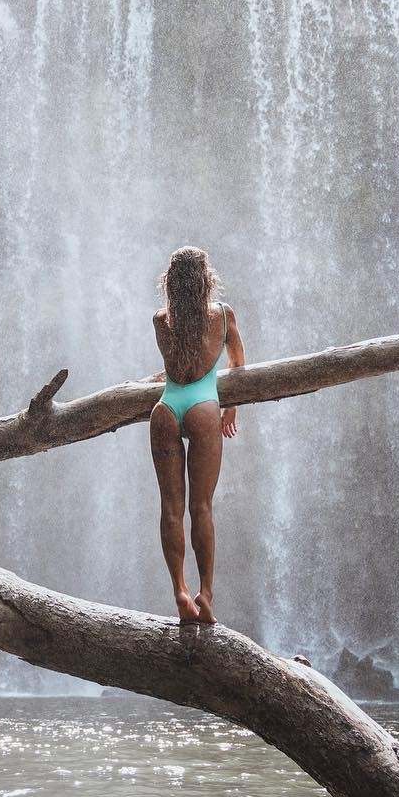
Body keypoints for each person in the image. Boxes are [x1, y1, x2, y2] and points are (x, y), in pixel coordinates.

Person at [149, 246, 245, 625]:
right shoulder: (223, 316)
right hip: (204, 409)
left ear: (170, 285)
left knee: (170, 508)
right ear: (207, 280)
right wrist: (231, 409)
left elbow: (174, 366)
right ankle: (206, 594)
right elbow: (238, 363)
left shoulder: (160, 321)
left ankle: (180, 592)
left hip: (166, 410)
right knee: (200, 507)